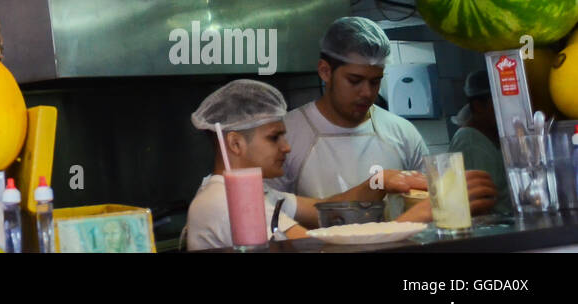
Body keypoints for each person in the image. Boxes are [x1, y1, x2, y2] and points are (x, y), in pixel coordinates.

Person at [183, 79, 458, 250]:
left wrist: (381, 181)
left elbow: (324, 209)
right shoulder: (229, 202)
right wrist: (423, 213)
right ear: (235, 144)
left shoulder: (257, 193)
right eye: (274, 137)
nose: (286, 146)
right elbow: (321, 250)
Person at [269, 16, 427, 199]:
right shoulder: (286, 135)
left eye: (375, 82)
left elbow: (429, 200)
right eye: (355, 81)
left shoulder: (403, 133)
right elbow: (270, 212)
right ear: (325, 71)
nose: (367, 93)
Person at [449, 69, 510, 212]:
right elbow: (479, 206)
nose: (508, 109)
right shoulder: (471, 144)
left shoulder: (489, 137)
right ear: (478, 106)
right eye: (500, 102)